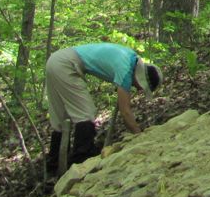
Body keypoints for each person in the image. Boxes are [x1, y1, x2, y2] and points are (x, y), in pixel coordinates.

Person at [44, 43, 162, 175]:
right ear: (140, 77)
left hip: (55, 60)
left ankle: (53, 165)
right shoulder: (126, 69)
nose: (138, 89)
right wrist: (140, 136)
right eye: (140, 86)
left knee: (60, 118)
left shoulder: (129, 57)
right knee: (85, 114)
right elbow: (125, 112)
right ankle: (82, 158)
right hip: (66, 64)